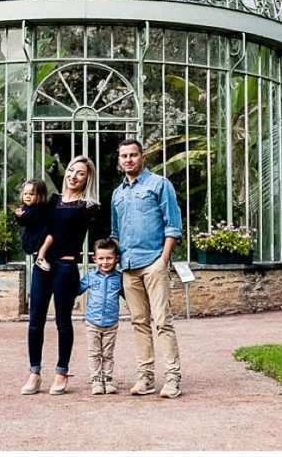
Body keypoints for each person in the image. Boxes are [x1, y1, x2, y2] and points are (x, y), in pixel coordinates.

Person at [21, 156, 100, 396]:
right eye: (70, 170)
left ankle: (61, 372)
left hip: (66, 267)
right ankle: (34, 372)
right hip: (42, 267)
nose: (73, 176)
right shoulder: (51, 202)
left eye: (80, 173)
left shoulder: (89, 207)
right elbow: (32, 220)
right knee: (35, 321)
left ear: (88, 179)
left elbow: (98, 239)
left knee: (63, 322)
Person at [110, 138, 183, 399]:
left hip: (153, 262)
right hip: (128, 267)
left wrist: (163, 260)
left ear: (143, 157)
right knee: (139, 323)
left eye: (133, 155)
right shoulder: (118, 193)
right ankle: (146, 377)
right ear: (119, 161)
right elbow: (115, 232)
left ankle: (173, 378)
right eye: (123, 156)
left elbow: (173, 225)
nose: (128, 159)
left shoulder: (159, 185)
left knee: (163, 321)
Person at [77, 238, 124, 396]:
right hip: (93, 322)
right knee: (94, 352)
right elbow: (77, 289)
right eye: (101, 258)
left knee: (108, 353)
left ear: (116, 258)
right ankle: (96, 380)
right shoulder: (90, 276)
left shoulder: (119, 278)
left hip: (111, 322)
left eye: (109, 258)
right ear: (94, 259)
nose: (105, 262)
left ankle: (108, 379)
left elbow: (130, 295)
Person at [14, 179, 52, 270]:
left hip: (40, 237)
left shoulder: (41, 209)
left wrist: (21, 217)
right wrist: (19, 216)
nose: (27, 196)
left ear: (40, 196)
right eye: (25, 194)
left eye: (31, 194)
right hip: (32, 238)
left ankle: (42, 258)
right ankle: (40, 258)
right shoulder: (27, 208)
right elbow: (23, 222)